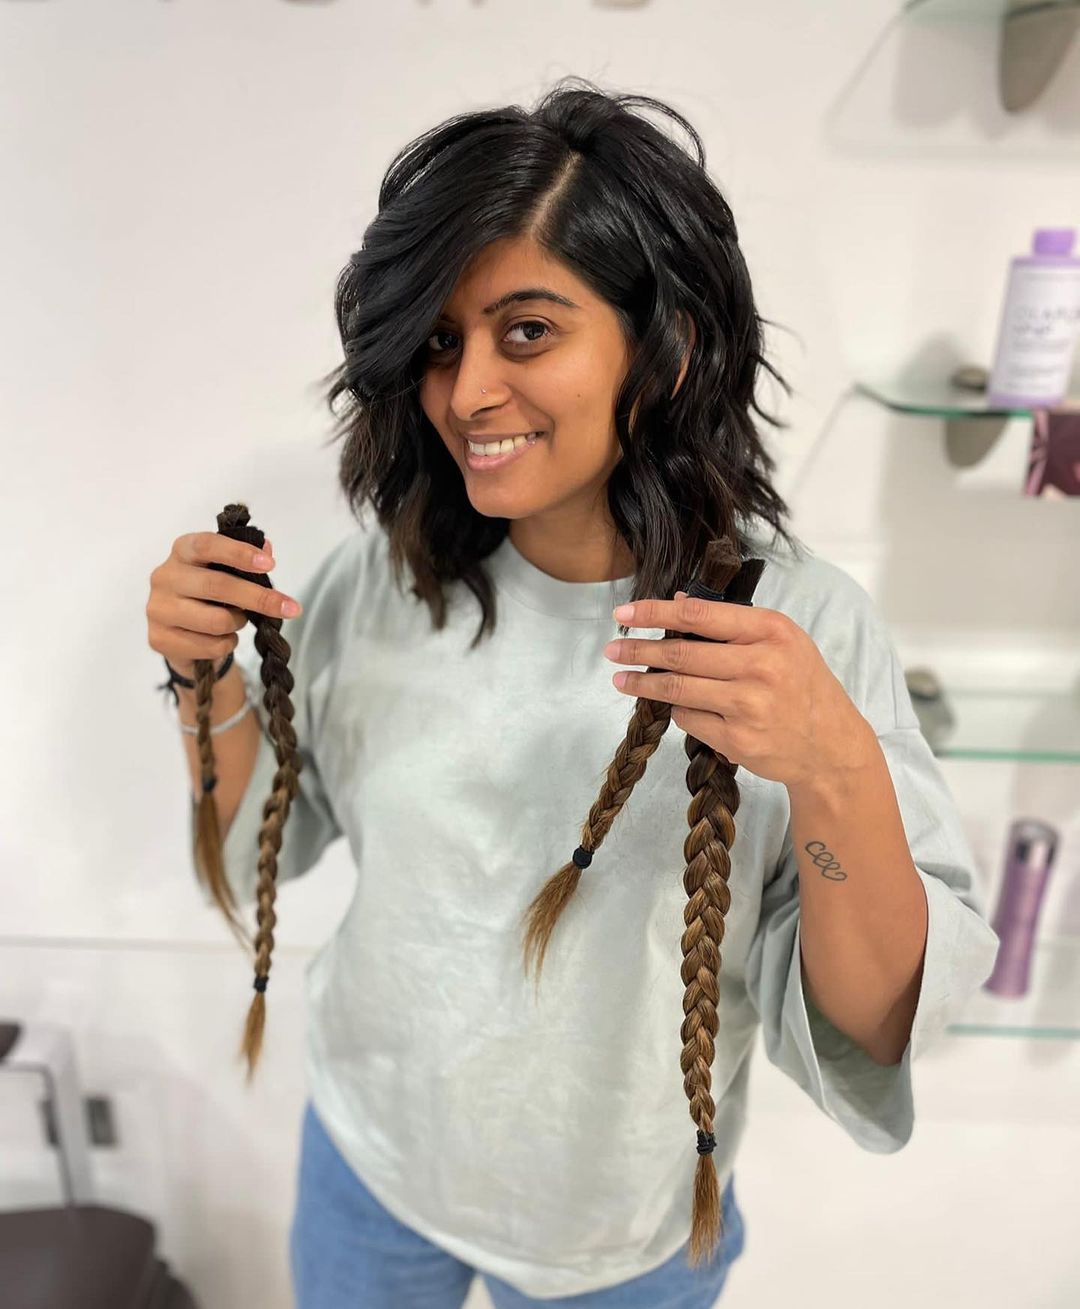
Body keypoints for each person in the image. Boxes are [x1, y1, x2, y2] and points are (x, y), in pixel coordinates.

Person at [148, 79, 1000, 1308]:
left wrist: (836, 766)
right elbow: (256, 847)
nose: (467, 393)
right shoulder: (384, 578)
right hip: (369, 1163)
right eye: (440, 342)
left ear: (669, 346)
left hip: (622, 1238)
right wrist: (202, 676)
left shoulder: (797, 630)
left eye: (527, 332)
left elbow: (875, 1023)